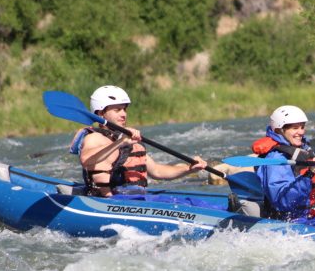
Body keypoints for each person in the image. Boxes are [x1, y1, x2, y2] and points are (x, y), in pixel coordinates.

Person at [69, 85, 230, 209]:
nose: (123, 114)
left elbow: (158, 171)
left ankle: (231, 211)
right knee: (181, 205)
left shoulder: (128, 139)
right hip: (113, 202)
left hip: (137, 200)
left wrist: (189, 169)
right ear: (101, 114)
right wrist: (121, 142)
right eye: (117, 110)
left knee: (189, 201)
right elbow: (86, 159)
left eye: (124, 109)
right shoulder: (94, 138)